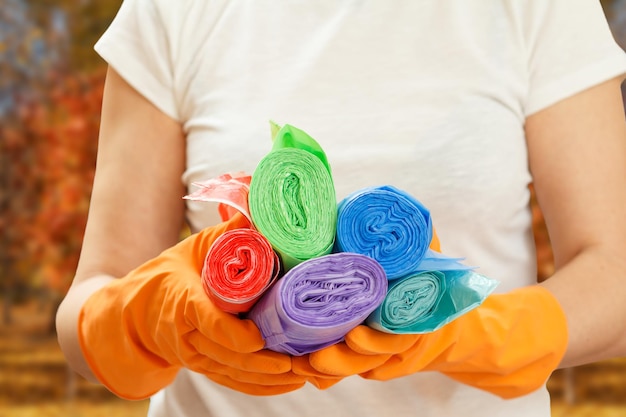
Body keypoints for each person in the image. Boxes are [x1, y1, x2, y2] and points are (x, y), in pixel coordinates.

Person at [55, 1, 626, 416]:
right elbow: (84, 313)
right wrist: (147, 317)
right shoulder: (172, 12)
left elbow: (615, 274)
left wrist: (478, 333)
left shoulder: (542, 8)